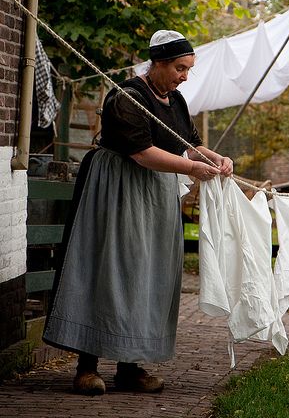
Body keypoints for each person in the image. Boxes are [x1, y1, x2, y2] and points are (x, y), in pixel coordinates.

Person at [43, 30, 233, 395]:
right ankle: (86, 366)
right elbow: (142, 153)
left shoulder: (175, 100)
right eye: (180, 68)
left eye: (188, 69)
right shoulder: (127, 98)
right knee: (106, 269)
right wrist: (191, 169)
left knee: (148, 274)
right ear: (158, 63)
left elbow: (189, 147)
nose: (184, 76)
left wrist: (215, 158)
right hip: (117, 190)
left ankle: (130, 367)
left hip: (156, 195)